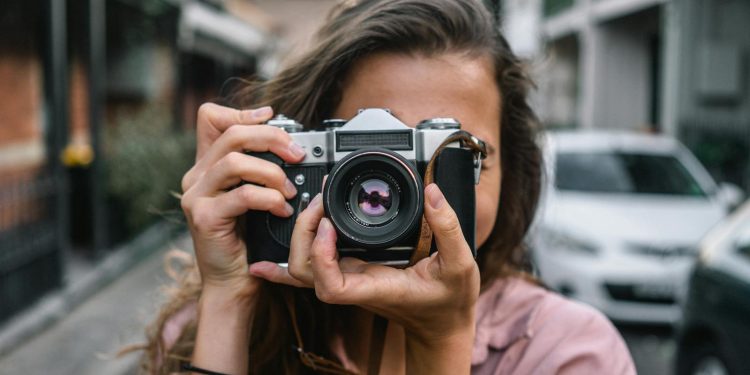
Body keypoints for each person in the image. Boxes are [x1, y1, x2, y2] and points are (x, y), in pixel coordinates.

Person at [143, 0, 636, 374]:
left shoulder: (566, 353)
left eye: (458, 160)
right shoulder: (204, 325)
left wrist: (441, 340)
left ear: (515, 177)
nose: (408, 193)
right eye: (371, 158)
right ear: (304, 160)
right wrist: (230, 298)